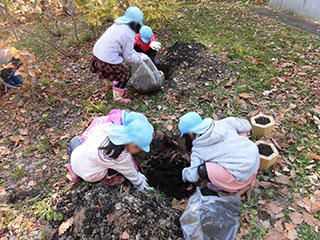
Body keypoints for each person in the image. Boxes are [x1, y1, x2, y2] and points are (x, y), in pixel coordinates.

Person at [66, 110, 154, 191]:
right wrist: (140, 184)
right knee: (117, 169)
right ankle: (107, 179)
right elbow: (130, 171)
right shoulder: (121, 157)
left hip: (76, 157)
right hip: (91, 175)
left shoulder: (106, 127)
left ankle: (74, 171)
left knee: (75, 141)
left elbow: (88, 135)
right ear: (132, 144)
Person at [179, 112, 260, 193]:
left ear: (189, 133)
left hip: (241, 177)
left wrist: (184, 173)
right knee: (240, 133)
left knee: (202, 169)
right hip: (254, 160)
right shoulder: (223, 123)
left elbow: (193, 177)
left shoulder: (197, 151)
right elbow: (247, 126)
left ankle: (224, 186)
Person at [90, 6, 149, 103]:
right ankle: (118, 98)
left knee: (109, 72)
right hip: (107, 59)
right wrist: (140, 58)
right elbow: (128, 57)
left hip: (97, 54)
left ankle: (109, 85)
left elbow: (122, 47)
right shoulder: (128, 34)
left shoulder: (117, 25)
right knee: (124, 75)